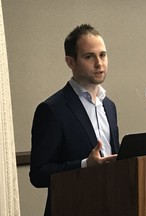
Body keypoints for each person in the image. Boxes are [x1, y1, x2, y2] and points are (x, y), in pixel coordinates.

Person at [29, 24, 119, 216]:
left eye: (103, 55)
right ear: (70, 62)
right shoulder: (52, 110)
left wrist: (145, 152)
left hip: (109, 206)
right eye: (89, 57)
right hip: (71, 208)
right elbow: (38, 174)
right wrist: (85, 165)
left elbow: (114, 163)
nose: (99, 63)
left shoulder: (109, 106)